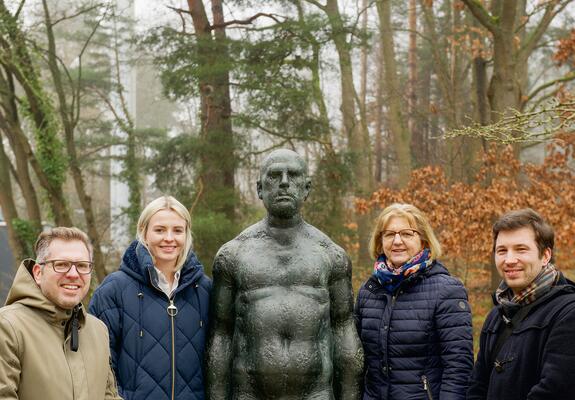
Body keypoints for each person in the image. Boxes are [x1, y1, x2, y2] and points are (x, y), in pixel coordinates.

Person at [206, 149, 363, 400]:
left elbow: (344, 333)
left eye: (294, 175)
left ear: (307, 188)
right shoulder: (232, 255)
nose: (285, 182)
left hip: (317, 394)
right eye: (274, 175)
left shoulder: (331, 255)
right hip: (249, 393)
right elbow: (221, 337)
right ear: (259, 189)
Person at [89, 196, 211, 400]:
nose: (169, 238)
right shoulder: (114, 289)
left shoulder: (205, 290)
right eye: (160, 230)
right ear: (144, 233)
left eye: (178, 230)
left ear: (187, 235)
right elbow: (98, 363)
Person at [355, 203, 473, 400]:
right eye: (390, 234)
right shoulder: (368, 291)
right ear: (380, 241)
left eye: (407, 234)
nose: (397, 241)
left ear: (424, 241)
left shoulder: (447, 290)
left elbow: (458, 368)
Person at [0, 227, 122, 400]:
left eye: (81, 266)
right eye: (61, 264)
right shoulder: (7, 327)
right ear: (37, 273)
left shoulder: (98, 330)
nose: (73, 274)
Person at [467, 208, 575, 399]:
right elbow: (477, 386)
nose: (509, 260)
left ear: (546, 255)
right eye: (502, 251)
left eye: (521, 249)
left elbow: (555, 390)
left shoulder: (568, 312)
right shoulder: (496, 315)